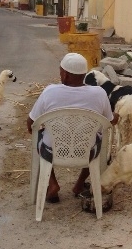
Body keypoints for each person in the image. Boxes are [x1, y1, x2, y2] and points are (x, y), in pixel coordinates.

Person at [27, 52, 118, 203]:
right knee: (97, 138)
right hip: (87, 153)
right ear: (84, 74)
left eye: (61, 71)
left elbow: (30, 124)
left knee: (40, 136)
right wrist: (116, 116)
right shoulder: (99, 93)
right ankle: (79, 184)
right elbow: (109, 121)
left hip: (52, 152)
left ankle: (52, 185)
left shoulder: (50, 92)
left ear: (66, 75)